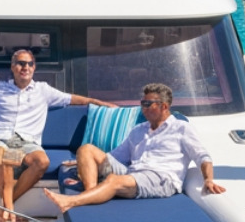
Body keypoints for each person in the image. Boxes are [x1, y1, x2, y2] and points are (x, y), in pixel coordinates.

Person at [0, 49, 114, 222]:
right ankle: (10, 210)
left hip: (28, 141)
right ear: (12, 67)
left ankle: (4, 208)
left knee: (42, 162)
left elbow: (73, 99)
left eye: (29, 64)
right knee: (4, 159)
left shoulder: (44, 90)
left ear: (34, 67)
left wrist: (98, 102)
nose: (25, 67)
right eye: (20, 63)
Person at [43, 83, 224, 213]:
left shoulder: (182, 128)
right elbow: (113, 157)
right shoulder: (138, 130)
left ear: (164, 106)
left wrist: (208, 179)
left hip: (161, 178)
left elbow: (203, 156)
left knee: (114, 180)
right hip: (133, 171)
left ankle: (71, 202)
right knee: (87, 149)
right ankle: (91, 193)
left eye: (148, 104)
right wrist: (80, 163)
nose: (142, 108)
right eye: (142, 103)